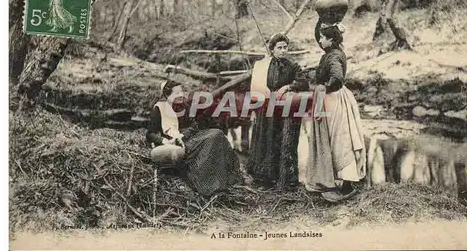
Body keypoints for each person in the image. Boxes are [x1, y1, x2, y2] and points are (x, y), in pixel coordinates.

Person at [146, 80, 243, 196]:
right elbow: (150, 134)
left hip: (188, 137)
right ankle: (209, 185)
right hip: (176, 143)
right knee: (213, 137)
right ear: (167, 95)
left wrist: (184, 134)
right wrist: (164, 140)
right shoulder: (159, 108)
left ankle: (225, 179)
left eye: (181, 91)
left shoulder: (185, 106)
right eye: (176, 93)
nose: (180, 95)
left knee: (217, 134)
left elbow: (194, 125)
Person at [305, 21, 367, 202]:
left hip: (335, 100)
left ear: (331, 40)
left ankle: (346, 185)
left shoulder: (333, 56)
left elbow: (337, 77)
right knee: (337, 140)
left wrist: (325, 88)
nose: (319, 41)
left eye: (322, 38)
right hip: (334, 98)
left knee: (341, 141)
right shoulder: (333, 52)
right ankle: (336, 181)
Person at [247, 33, 309, 191]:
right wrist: (253, 110)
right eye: (279, 48)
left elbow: (303, 83)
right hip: (264, 108)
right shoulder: (263, 66)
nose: (283, 51)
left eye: (285, 47)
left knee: (280, 143)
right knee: (263, 142)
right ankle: (263, 180)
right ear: (272, 50)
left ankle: (285, 179)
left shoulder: (292, 66)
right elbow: (254, 88)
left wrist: (288, 87)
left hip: (281, 110)